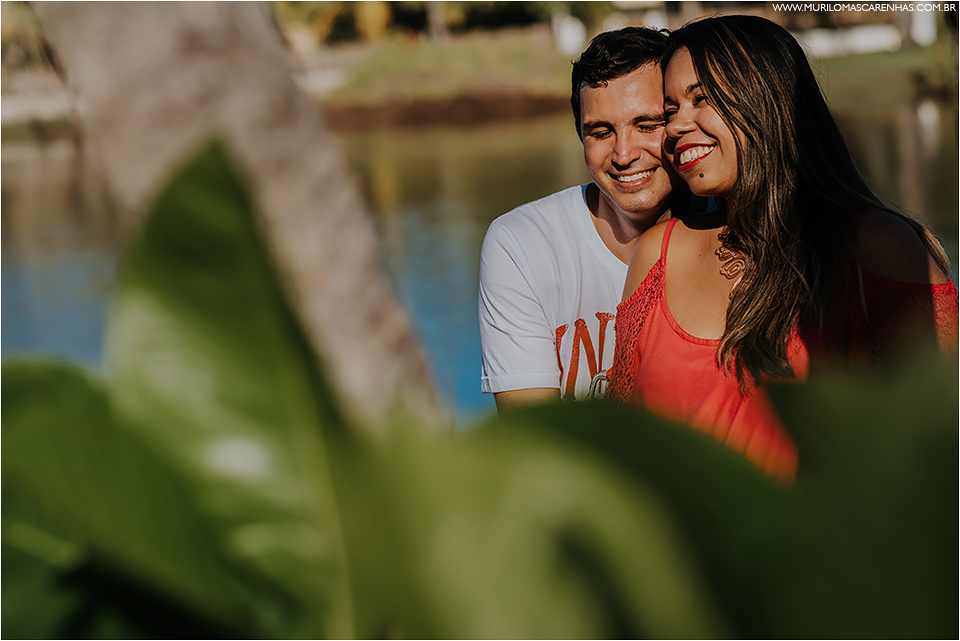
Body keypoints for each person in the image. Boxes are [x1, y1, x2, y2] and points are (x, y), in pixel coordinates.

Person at [607, 15, 958, 482]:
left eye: (701, 99)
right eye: (671, 110)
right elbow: (622, 446)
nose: (675, 127)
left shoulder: (875, 247)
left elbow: (939, 440)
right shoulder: (658, 254)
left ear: (765, 100)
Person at [479, 26, 694, 412]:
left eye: (646, 125)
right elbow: (536, 436)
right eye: (600, 132)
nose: (624, 153)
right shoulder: (521, 244)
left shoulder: (728, 227)